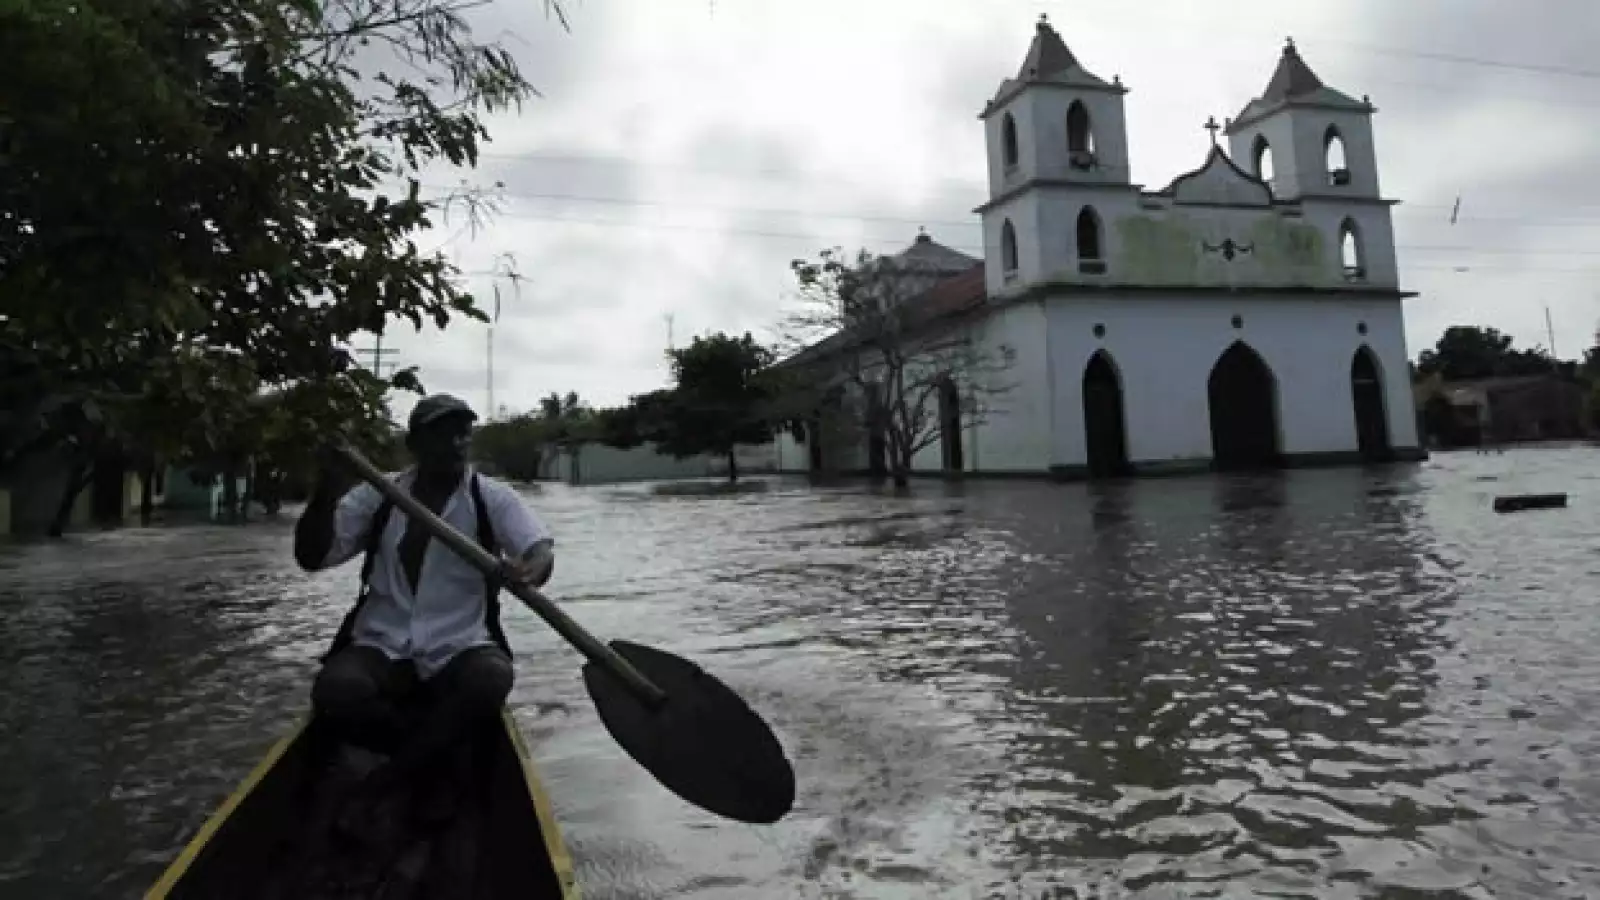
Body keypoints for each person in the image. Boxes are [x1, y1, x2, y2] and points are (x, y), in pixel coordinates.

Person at [293, 393, 555, 814]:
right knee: (336, 691)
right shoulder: (378, 494)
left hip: (460, 645)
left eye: (462, 435)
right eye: (441, 434)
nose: (455, 444)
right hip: (382, 641)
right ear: (414, 445)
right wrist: (327, 489)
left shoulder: (491, 498)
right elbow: (311, 558)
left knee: (490, 679)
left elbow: (539, 548)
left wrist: (530, 567)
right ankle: (432, 761)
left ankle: (385, 783)